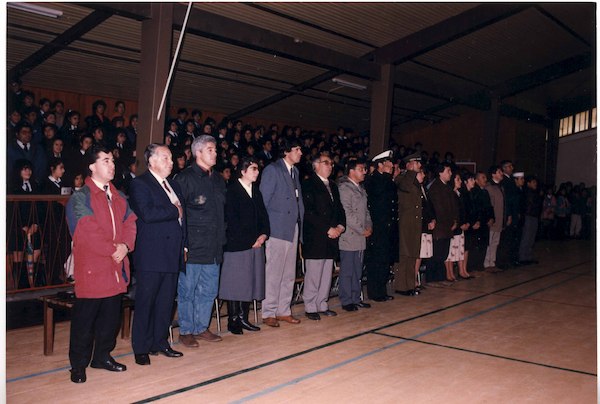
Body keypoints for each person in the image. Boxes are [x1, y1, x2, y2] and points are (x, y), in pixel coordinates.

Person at [65, 145, 137, 383]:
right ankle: (78, 364)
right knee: (85, 320)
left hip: (115, 266)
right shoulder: (80, 197)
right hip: (93, 267)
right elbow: (86, 231)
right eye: (106, 160)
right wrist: (113, 249)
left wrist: (125, 246)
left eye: (113, 161)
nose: (112, 164)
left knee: (110, 317)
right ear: (92, 166)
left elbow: (131, 221)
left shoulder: (118, 195)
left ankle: (102, 356)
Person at [129, 144, 185, 366]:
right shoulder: (140, 183)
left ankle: (160, 342)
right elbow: (147, 213)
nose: (170, 162)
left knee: (165, 302)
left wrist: (185, 246)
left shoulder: (173, 185)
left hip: (171, 253)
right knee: (146, 302)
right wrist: (175, 210)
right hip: (151, 255)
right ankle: (140, 347)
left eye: (171, 158)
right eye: (165, 158)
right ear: (151, 161)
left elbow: (184, 219)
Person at [174, 135, 226, 346]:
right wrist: (183, 244)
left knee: (209, 290)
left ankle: (200, 327)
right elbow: (179, 214)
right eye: (211, 150)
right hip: (193, 246)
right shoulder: (184, 178)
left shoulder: (219, 179)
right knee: (188, 289)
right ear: (198, 153)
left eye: (215, 150)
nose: (215, 153)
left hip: (214, 245)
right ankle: (186, 330)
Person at [219, 157, 270, 334]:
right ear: (243, 171)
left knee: (250, 282)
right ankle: (233, 321)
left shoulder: (256, 190)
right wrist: (251, 240)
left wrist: (263, 234)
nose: (257, 172)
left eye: (257, 169)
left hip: (256, 244)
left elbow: (264, 215)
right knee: (236, 283)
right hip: (238, 245)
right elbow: (232, 221)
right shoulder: (231, 191)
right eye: (254, 168)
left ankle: (244, 318)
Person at [259, 137, 304, 327]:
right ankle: (268, 311)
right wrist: (265, 229)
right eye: (297, 149)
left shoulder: (295, 171)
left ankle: (283, 310)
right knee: (274, 272)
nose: (300, 152)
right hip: (277, 228)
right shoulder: (273, 170)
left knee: (288, 273)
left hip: (292, 227)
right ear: (286, 151)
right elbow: (263, 201)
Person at [301, 153, 346, 320]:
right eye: (327, 163)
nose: (330, 166)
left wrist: (340, 226)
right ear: (316, 165)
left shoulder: (333, 186)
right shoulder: (308, 184)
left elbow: (339, 209)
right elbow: (309, 212)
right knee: (314, 272)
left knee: (327, 272)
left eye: (332, 163)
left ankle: (322, 303)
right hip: (317, 235)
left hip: (332, 235)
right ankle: (310, 306)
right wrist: (328, 228)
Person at [337, 158, 372, 311]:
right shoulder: (345, 188)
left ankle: (356, 297)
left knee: (357, 270)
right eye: (361, 169)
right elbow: (347, 213)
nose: (364, 171)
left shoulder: (361, 188)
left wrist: (369, 226)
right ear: (351, 171)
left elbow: (366, 212)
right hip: (350, 236)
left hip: (361, 236)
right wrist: (361, 229)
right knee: (348, 270)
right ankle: (346, 300)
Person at [364, 150, 398, 302]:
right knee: (376, 260)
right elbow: (377, 198)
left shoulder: (388, 180)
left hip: (388, 226)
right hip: (378, 226)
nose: (391, 166)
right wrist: (385, 176)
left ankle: (382, 290)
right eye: (388, 163)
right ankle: (375, 292)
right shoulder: (374, 180)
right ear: (380, 165)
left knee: (384, 260)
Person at [394, 151, 424, 296]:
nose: (419, 165)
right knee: (404, 256)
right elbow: (405, 186)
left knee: (412, 255)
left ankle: (410, 285)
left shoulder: (413, 181)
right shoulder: (402, 179)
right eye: (416, 162)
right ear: (409, 164)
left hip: (414, 224)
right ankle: (401, 286)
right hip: (405, 224)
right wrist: (411, 172)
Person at [426, 162, 459, 282]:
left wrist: (455, 220)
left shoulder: (447, 187)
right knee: (436, 254)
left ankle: (440, 278)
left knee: (444, 253)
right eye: (448, 171)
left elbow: (453, 206)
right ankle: (432, 279)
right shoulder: (435, 187)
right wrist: (448, 222)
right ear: (440, 172)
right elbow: (438, 208)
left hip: (447, 227)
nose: (450, 174)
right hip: (440, 227)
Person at [484, 165, 505, 272]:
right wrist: (490, 218)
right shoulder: (489, 187)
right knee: (490, 242)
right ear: (493, 174)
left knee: (495, 242)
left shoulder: (500, 187)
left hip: (499, 219)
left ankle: (492, 262)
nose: (501, 173)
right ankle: (487, 263)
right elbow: (489, 205)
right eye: (499, 172)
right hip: (492, 220)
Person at [518, 175, 542, 265]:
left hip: (534, 216)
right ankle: (523, 257)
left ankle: (528, 256)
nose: (535, 184)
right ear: (528, 183)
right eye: (533, 182)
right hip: (528, 216)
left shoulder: (535, 193)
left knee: (531, 237)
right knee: (526, 237)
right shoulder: (526, 192)